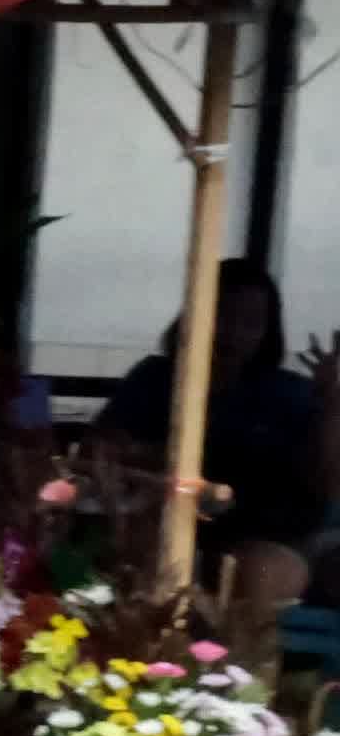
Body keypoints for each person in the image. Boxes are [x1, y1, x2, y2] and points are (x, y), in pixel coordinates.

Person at [97, 257, 322, 610]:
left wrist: (334, 410)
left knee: (259, 570)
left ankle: (239, 661)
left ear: (268, 332)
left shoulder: (290, 394)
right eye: (222, 315)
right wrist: (134, 452)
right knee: (133, 546)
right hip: (161, 521)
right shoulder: (155, 378)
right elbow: (104, 446)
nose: (232, 332)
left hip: (263, 534)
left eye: (250, 322)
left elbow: (321, 480)